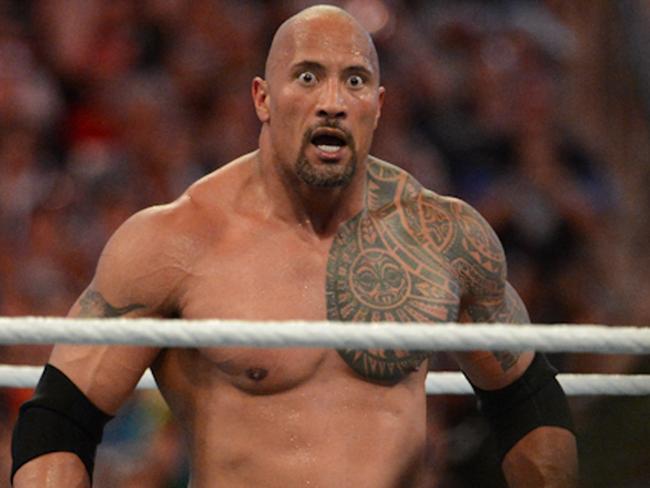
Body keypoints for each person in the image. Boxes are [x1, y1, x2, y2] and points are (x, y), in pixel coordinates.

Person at [11, 5, 577, 487]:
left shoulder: (443, 237)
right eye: (307, 77)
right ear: (262, 97)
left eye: (353, 81)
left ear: (377, 105)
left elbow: (527, 400)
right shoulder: (176, 242)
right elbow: (59, 422)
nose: (332, 100)